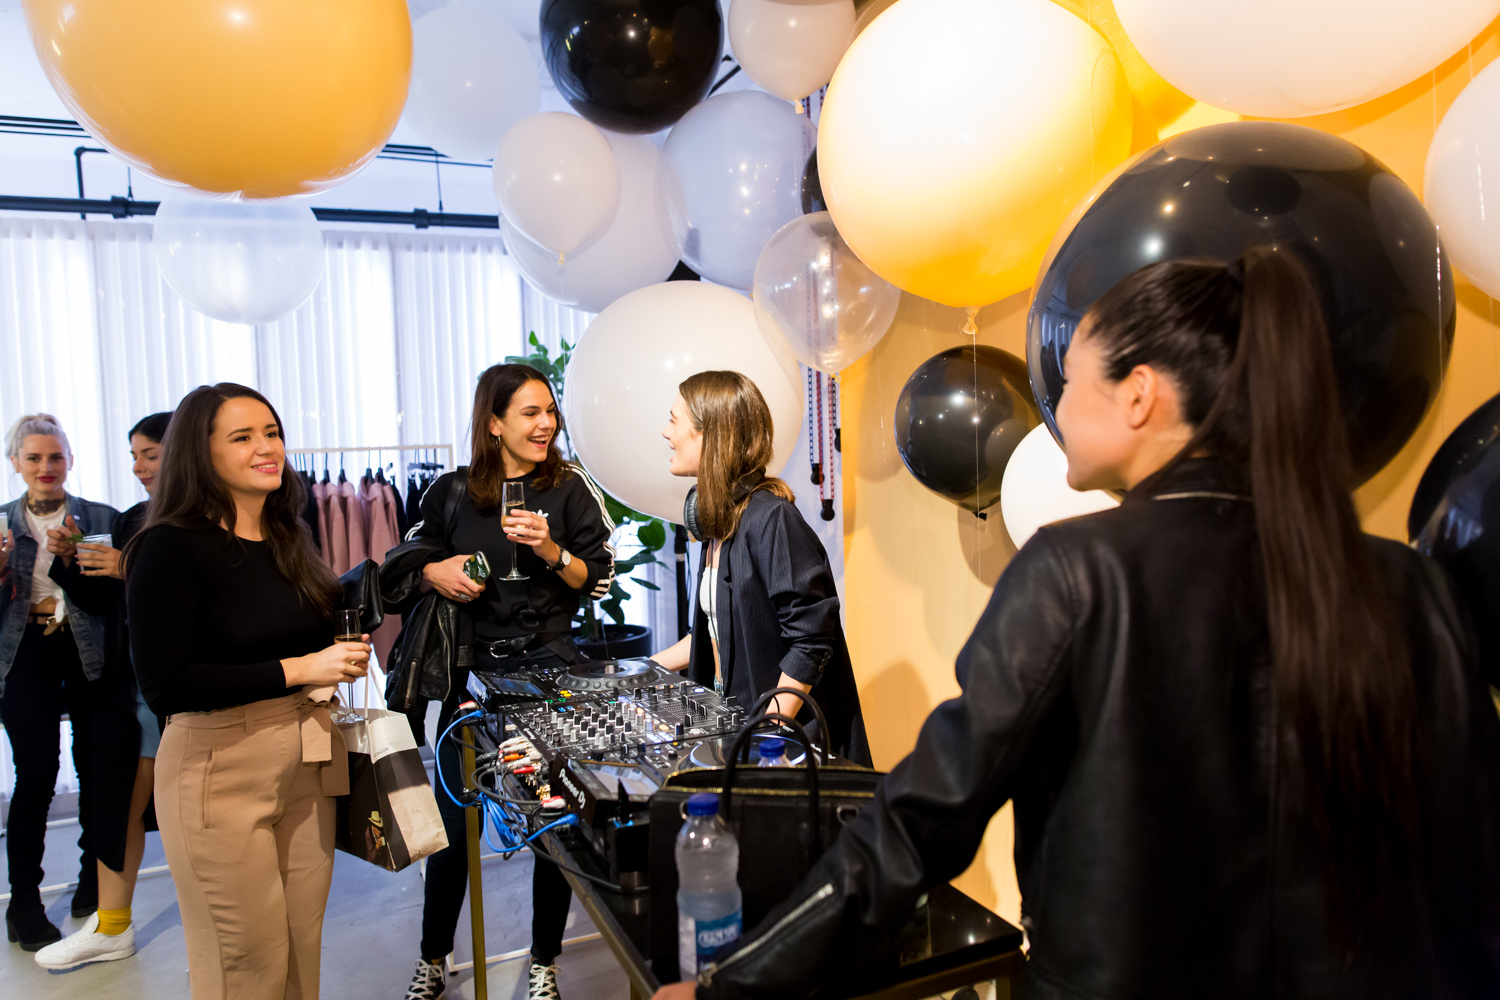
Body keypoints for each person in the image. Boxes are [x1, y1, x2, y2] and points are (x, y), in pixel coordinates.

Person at [653, 249, 1500, 1000]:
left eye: (1072, 378)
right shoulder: (1414, 585)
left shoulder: (1074, 573)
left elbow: (917, 824)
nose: (1053, 400)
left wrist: (736, 983)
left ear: (1139, 395)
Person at [125, 385, 370, 1000]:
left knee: (298, 952)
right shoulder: (168, 547)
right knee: (246, 965)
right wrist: (303, 667)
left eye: (272, 432)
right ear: (199, 453)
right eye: (243, 437)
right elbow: (166, 685)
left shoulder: (290, 535)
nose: (267, 448)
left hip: (309, 761)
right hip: (218, 768)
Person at [383, 364, 616, 1000]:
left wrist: (550, 551)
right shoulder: (452, 492)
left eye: (551, 412)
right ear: (494, 423)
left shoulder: (569, 490)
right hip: (470, 678)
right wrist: (438, 570)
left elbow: (598, 577)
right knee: (454, 827)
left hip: (549, 671)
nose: (546, 425)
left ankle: (544, 962)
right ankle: (434, 959)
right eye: (530, 413)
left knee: (553, 824)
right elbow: (406, 563)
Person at [654, 371, 869, 767]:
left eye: (673, 420)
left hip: (777, 746)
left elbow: (811, 641)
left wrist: (766, 733)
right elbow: (717, 632)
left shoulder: (773, 520)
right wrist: (642, 669)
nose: (666, 433)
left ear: (708, 435)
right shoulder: (721, 524)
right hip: (733, 728)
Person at [33, 411, 172, 969]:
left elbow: (201, 603)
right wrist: (71, 562)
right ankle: (112, 924)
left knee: (192, 819)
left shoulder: (207, 519)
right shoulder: (135, 517)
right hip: (129, 689)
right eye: (134, 455)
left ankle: (218, 930)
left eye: (149, 455)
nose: (137, 466)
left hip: (182, 695)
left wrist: (130, 571)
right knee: (119, 808)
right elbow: (98, 603)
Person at [0, 414, 116, 950]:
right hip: (24, 658)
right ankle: (23, 902)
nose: (46, 468)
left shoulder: (98, 518)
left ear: (70, 460)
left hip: (90, 656)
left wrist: (73, 560)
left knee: (96, 771)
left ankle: (95, 878)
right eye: (34, 458)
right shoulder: (2, 524)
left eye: (55, 457)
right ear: (15, 463)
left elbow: (106, 603)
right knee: (37, 775)